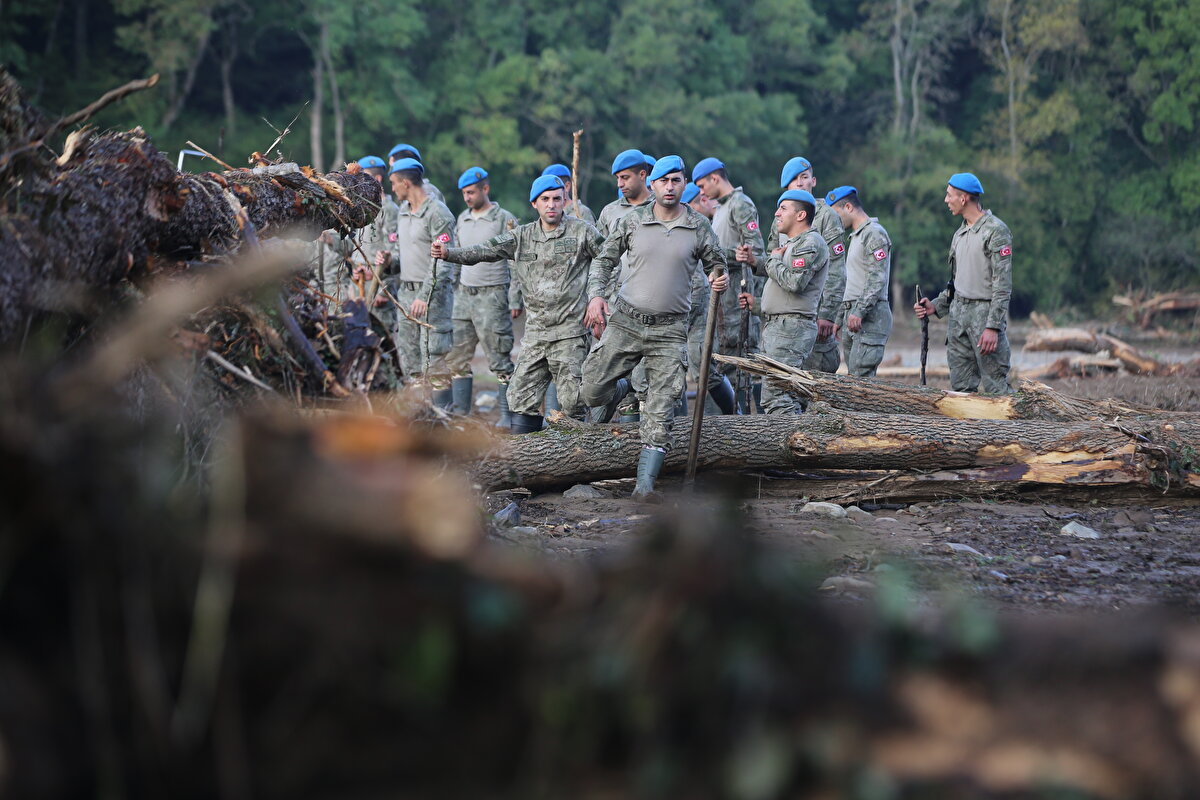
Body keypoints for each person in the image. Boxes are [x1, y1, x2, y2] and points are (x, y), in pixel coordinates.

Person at [581, 156, 729, 499]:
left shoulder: (697, 226)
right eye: (664, 182)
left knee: (660, 413)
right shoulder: (633, 221)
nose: (670, 187)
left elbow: (717, 264)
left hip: (669, 331)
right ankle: (619, 391)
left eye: (676, 181)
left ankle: (643, 487)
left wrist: (718, 277)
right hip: (627, 323)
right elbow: (604, 260)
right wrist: (596, 297)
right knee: (590, 391)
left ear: (683, 183)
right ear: (654, 185)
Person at [432, 175, 603, 432]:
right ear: (534, 203)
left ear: (565, 201)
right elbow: (484, 250)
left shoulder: (582, 232)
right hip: (536, 335)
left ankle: (574, 461)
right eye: (545, 199)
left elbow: (608, 259)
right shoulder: (521, 236)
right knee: (519, 397)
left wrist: (598, 297)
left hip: (570, 333)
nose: (552, 205)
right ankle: (528, 461)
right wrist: (449, 254)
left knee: (573, 401)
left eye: (557, 199)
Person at [914, 173, 1014, 394]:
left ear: (964, 197)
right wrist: (935, 306)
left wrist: (993, 327)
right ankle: (966, 430)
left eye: (950, 195)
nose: (946, 200)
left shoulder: (996, 231)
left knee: (996, 387)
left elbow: (1002, 284)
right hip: (958, 317)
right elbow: (955, 283)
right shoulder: (959, 233)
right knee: (960, 389)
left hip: (984, 315)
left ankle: (1009, 429)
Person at [375, 157, 457, 403]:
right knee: (410, 361)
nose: (392, 189)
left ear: (406, 183)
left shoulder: (438, 213)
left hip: (433, 297)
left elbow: (444, 261)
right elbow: (402, 253)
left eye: (394, 183)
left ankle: (444, 421)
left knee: (434, 360)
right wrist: (389, 261)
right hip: (406, 294)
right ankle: (420, 422)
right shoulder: (402, 212)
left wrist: (424, 295)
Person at [447, 166, 520, 423]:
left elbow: (515, 261)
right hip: (464, 295)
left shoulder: (504, 219)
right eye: (464, 193)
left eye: (471, 192)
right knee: (457, 355)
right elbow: (456, 256)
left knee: (499, 356)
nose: (467, 197)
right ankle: (461, 414)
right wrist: (453, 289)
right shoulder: (462, 218)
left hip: (493, 294)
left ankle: (506, 415)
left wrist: (515, 297)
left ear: (485, 189)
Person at [691, 157, 759, 413]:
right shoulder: (721, 209)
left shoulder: (740, 205)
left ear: (715, 178)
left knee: (737, 372)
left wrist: (721, 257)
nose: (701, 192)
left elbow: (754, 253)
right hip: (721, 306)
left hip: (735, 308)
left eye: (702, 185)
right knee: (718, 370)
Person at [756, 189, 829, 414]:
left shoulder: (810, 243)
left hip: (791, 328)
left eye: (783, 208)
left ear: (800, 215)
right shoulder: (794, 243)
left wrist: (774, 261)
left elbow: (795, 283)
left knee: (777, 397)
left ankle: (790, 446)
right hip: (780, 327)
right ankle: (795, 442)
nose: (777, 213)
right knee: (782, 395)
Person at [771, 156, 846, 374]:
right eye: (795, 180)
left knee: (816, 375)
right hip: (786, 313)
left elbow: (837, 270)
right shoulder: (781, 216)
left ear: (813, 181)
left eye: (805, 177)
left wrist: (828, 314)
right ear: (787, 186)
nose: (801, 183)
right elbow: (771, 259)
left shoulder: (827, 217)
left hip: (814, 312)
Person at [825, 186, 893, 378]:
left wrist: (859, 310)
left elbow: (877, 277)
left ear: (848, 207)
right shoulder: (856, 236)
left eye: (836, 214)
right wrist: (839, 318)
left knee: (861, 381)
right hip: (853, 315)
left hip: (869, 317)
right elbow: (852, 281)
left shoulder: (874, 233)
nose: (834, 222)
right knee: (853, 376)